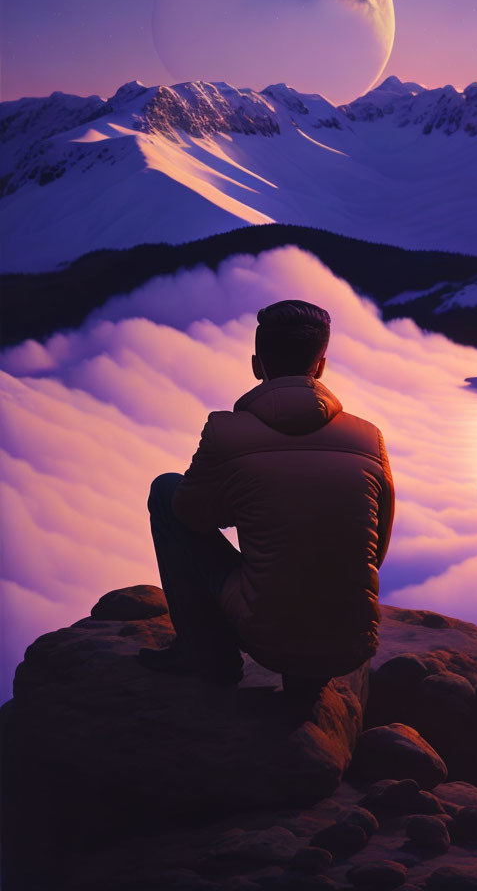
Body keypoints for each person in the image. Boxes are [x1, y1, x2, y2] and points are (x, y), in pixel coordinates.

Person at [139, 299, 395, 701]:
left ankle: (206, 655)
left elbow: (191, 515)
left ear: (257, 366)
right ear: (321, 366)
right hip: (351, 640)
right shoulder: (369, 438)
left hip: (265, 632)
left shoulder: (225, 432)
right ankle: (308, 681)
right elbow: (374, 546)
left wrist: (247, 503)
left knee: (166, 490)